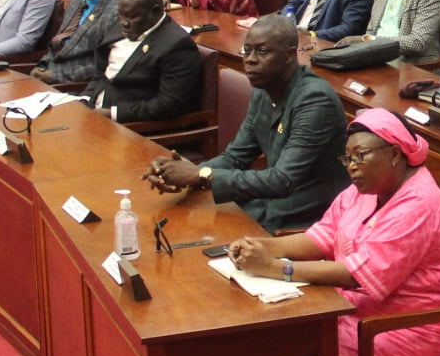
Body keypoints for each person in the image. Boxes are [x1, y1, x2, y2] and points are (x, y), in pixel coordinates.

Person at [222, 106, 440, 356]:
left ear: (395, 153)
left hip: (421, 323)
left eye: (361, 155)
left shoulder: (418, 204)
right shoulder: (367, 188)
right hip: (360, 309)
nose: (352, 165)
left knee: (316, 352)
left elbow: (357, 276)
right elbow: (322, 236)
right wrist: (261, 246)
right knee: (282, 331)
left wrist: (273, 268)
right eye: (348, 158)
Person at [145, 15, 350, 233]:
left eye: (262, 52)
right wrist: (185, 174)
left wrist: (201, 176)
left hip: (302, 220)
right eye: (247, 51)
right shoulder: (263, 90)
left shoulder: (315, 100)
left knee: (191, 230)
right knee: (169, 221)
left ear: (290, 55)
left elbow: (282, 180)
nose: (250, 60)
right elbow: (236, 157)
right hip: (265, 204)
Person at [84, 0, 203, 123]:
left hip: (130, 127)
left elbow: (169, 104)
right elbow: (101, 74)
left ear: (156, 11)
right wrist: (84, 98)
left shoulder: (177, 45)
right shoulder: (125, 21)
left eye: (132, 17)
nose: (124, 22)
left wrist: (113, 114)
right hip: (92, 113)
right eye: (121, 15)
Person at [33, 0, 124, 85]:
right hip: (47, 78)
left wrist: (55, 76)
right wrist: (42, 66)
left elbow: (104, 63)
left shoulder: (116, 10)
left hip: (76, 86)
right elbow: (59, 44)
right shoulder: (75, 2)